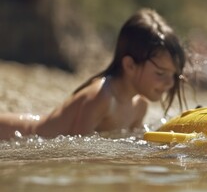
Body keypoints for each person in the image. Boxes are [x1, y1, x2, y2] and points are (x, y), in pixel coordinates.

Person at [0, 8, 187, 140]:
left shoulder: (140, 106)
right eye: (161, 73)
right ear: (130, 65)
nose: (170, 83)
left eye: (173, 75)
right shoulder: (101, 97)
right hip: (18, 131)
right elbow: (76, 148)